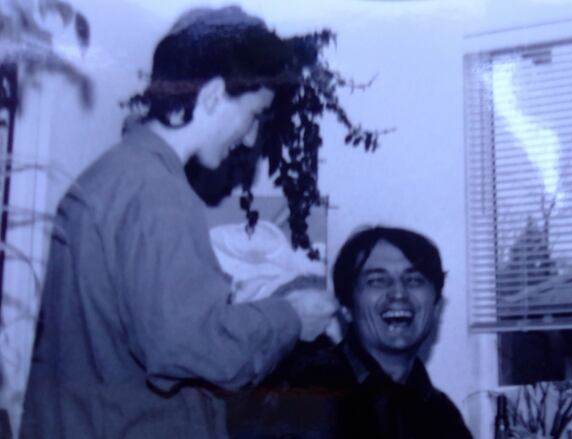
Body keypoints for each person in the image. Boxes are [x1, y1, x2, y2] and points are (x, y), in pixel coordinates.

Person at [20, 7, 337, 439]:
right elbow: (189, 348)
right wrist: (291, 318)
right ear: (211, 97)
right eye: (253, 115)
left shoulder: (112, 176)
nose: (249, 139)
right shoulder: (158, 194)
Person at [227, 226, 473, 439]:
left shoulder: (442, 416)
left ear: (436, 306)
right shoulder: (301, 392)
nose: (398, 293)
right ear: (345, 307)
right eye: (377, 280)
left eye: (414, 280)